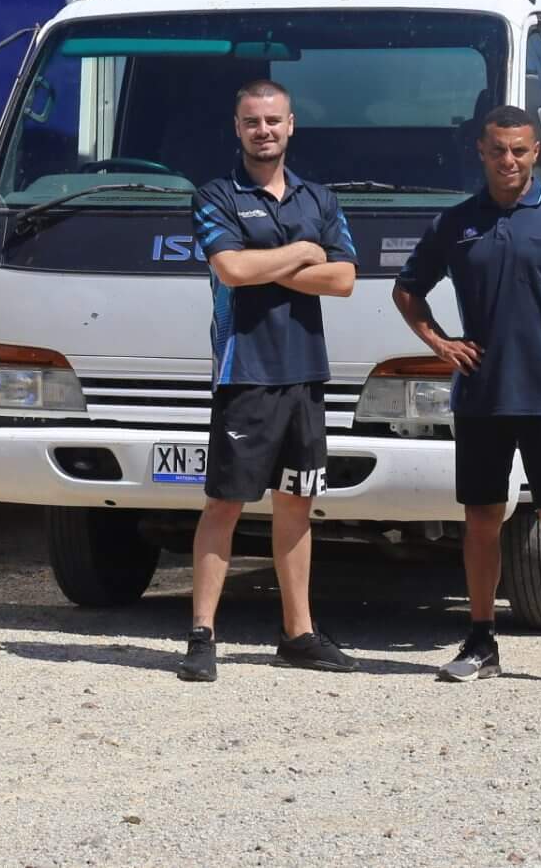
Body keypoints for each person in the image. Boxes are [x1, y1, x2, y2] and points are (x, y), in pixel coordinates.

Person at [392, 105, 541, 691]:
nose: (508, 160)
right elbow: (407, 290)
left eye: (519, 150)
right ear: (481, 152)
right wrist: (440, 343)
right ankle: (482, 639)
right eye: (498, 150)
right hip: (482, 399)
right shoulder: (456, 223)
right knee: (482, 520)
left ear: (536, 152)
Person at [176, 79, 361, 682]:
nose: (264, 131)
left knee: (296, 503)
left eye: (274, 120)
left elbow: (343, 281)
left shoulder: (319, 197)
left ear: (291, 125)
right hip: (244, 373)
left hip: (305, 373)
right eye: (252, 121)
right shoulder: (215, 195)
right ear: (237, 127)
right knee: (225, 503)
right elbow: (229, 270)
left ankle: (299, 633)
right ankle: (202, 636)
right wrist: (304, 251)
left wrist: (269, 264)